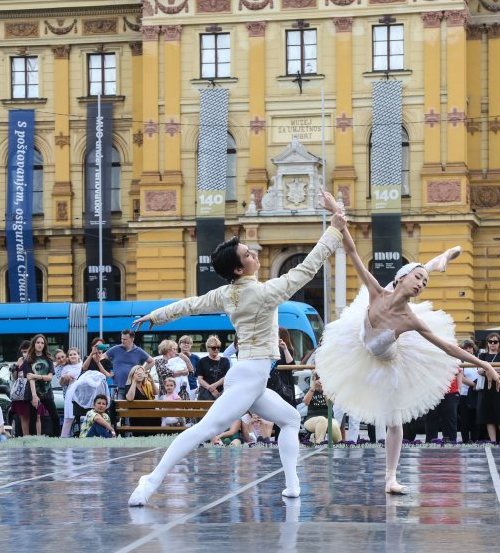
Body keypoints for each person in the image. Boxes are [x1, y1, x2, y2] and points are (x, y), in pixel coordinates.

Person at [126, 191, 347, 506]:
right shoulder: (263, 294)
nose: (254, 254)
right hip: (248, 377)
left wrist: (156, 316)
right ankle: (151, 480)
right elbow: (306, 270)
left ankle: (292, 485)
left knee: (290, 419)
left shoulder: (227, 294)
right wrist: (335, 229)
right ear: (240, 269)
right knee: (206, 428)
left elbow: (191, 304)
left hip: (250, 377)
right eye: (248, 254)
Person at [315, 223, 500, 494]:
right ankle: (439, 261)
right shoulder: (376, 292)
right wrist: (340, 220)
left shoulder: (410, 319)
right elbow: (352, 250)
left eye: (425, 283)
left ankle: (391, 478)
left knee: (394, 421)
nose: (421, 285)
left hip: (389, 361)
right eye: (418, 278)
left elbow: (448, 348)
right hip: (360, 344)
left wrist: (485, 364)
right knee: (420, 268)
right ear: (401, 278)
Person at [22, 334, 60, 438]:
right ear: (34, 344)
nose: (40, 345)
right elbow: (30, 379)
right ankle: (33, 441)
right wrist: (34, 396)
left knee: (55, 416)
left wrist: (35, 375)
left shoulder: (48, 359)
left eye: (42, 343)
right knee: (33, 418)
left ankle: (56, 439)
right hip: (32, 392)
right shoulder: (28, 360)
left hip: (46, 391)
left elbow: (50, 377)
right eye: (38, 342)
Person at [477, 332, 500, 444]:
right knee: (488, 414)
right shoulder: (482, 355)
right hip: (487, 388)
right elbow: (479, 370)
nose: (492, 343)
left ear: (499, 343)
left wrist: (487, 369)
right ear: (487, 343)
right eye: (490, 341)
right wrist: (495, 370)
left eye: (495, 341)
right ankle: (492, 441)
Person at [102, 330, 155, 399]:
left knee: (132, 409)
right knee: (118, 409)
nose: (122, 341)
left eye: (125, 339)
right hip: (119, 387)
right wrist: (108, 371)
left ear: (132, 339)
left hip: (133, 387)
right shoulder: (116, 349)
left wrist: (141, 371)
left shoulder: (138, 351)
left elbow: (152, 361)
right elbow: (102, 358)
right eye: (121, 339)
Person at [425, 363, 462, 443]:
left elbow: (459, 371)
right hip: (432, 392)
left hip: (450, 391)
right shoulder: (430, 353)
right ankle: (430, 443)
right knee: (431, 418)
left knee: (450, 419)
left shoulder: (452, 353)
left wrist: (459, 388)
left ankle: (450, 442)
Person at [302, 372, 341, 444]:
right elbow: (306, 402)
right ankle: (319, 443)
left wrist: (324, 390)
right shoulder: (309, 390)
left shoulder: (329, 391)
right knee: (321, 419)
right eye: (318, 378)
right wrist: (313, 388)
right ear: (314, 379)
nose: (319, 381)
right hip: (311, 419)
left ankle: (339, 444)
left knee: (334, 425)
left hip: (329, 418)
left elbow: (330, 405)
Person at [458, 339, 481, 443]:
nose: (468, 350)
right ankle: (465, 440)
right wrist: (474, 384)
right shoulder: (460, 361)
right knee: (465, 420)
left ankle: (475, 439)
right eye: (466, 348)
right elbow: (461, 377)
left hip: (477, 394)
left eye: (470, 348)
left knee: (475, 419)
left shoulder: (478, 360)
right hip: (464, 394)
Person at [195, 335, 230, 401]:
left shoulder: (225, 360)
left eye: (218, 348)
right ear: (208, 348)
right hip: (205, 394)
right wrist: (211, 389)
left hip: (221, 393)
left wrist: (213, 386)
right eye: (214, 348)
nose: (216, 349)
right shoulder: (202, 361)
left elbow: (226, 377)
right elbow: (200, 379)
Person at [59, 347, 85, 437]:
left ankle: (83, 437)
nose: (73, 356)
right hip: (70, 393)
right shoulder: (66, 368)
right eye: (70, 355)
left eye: (74, 354)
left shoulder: (83, 364)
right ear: (68, 357)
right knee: (69, 417)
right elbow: (62, 384)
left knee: (83, 417)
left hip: (82, 393)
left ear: (79, 355)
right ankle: (64, 437)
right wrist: (64, 377)